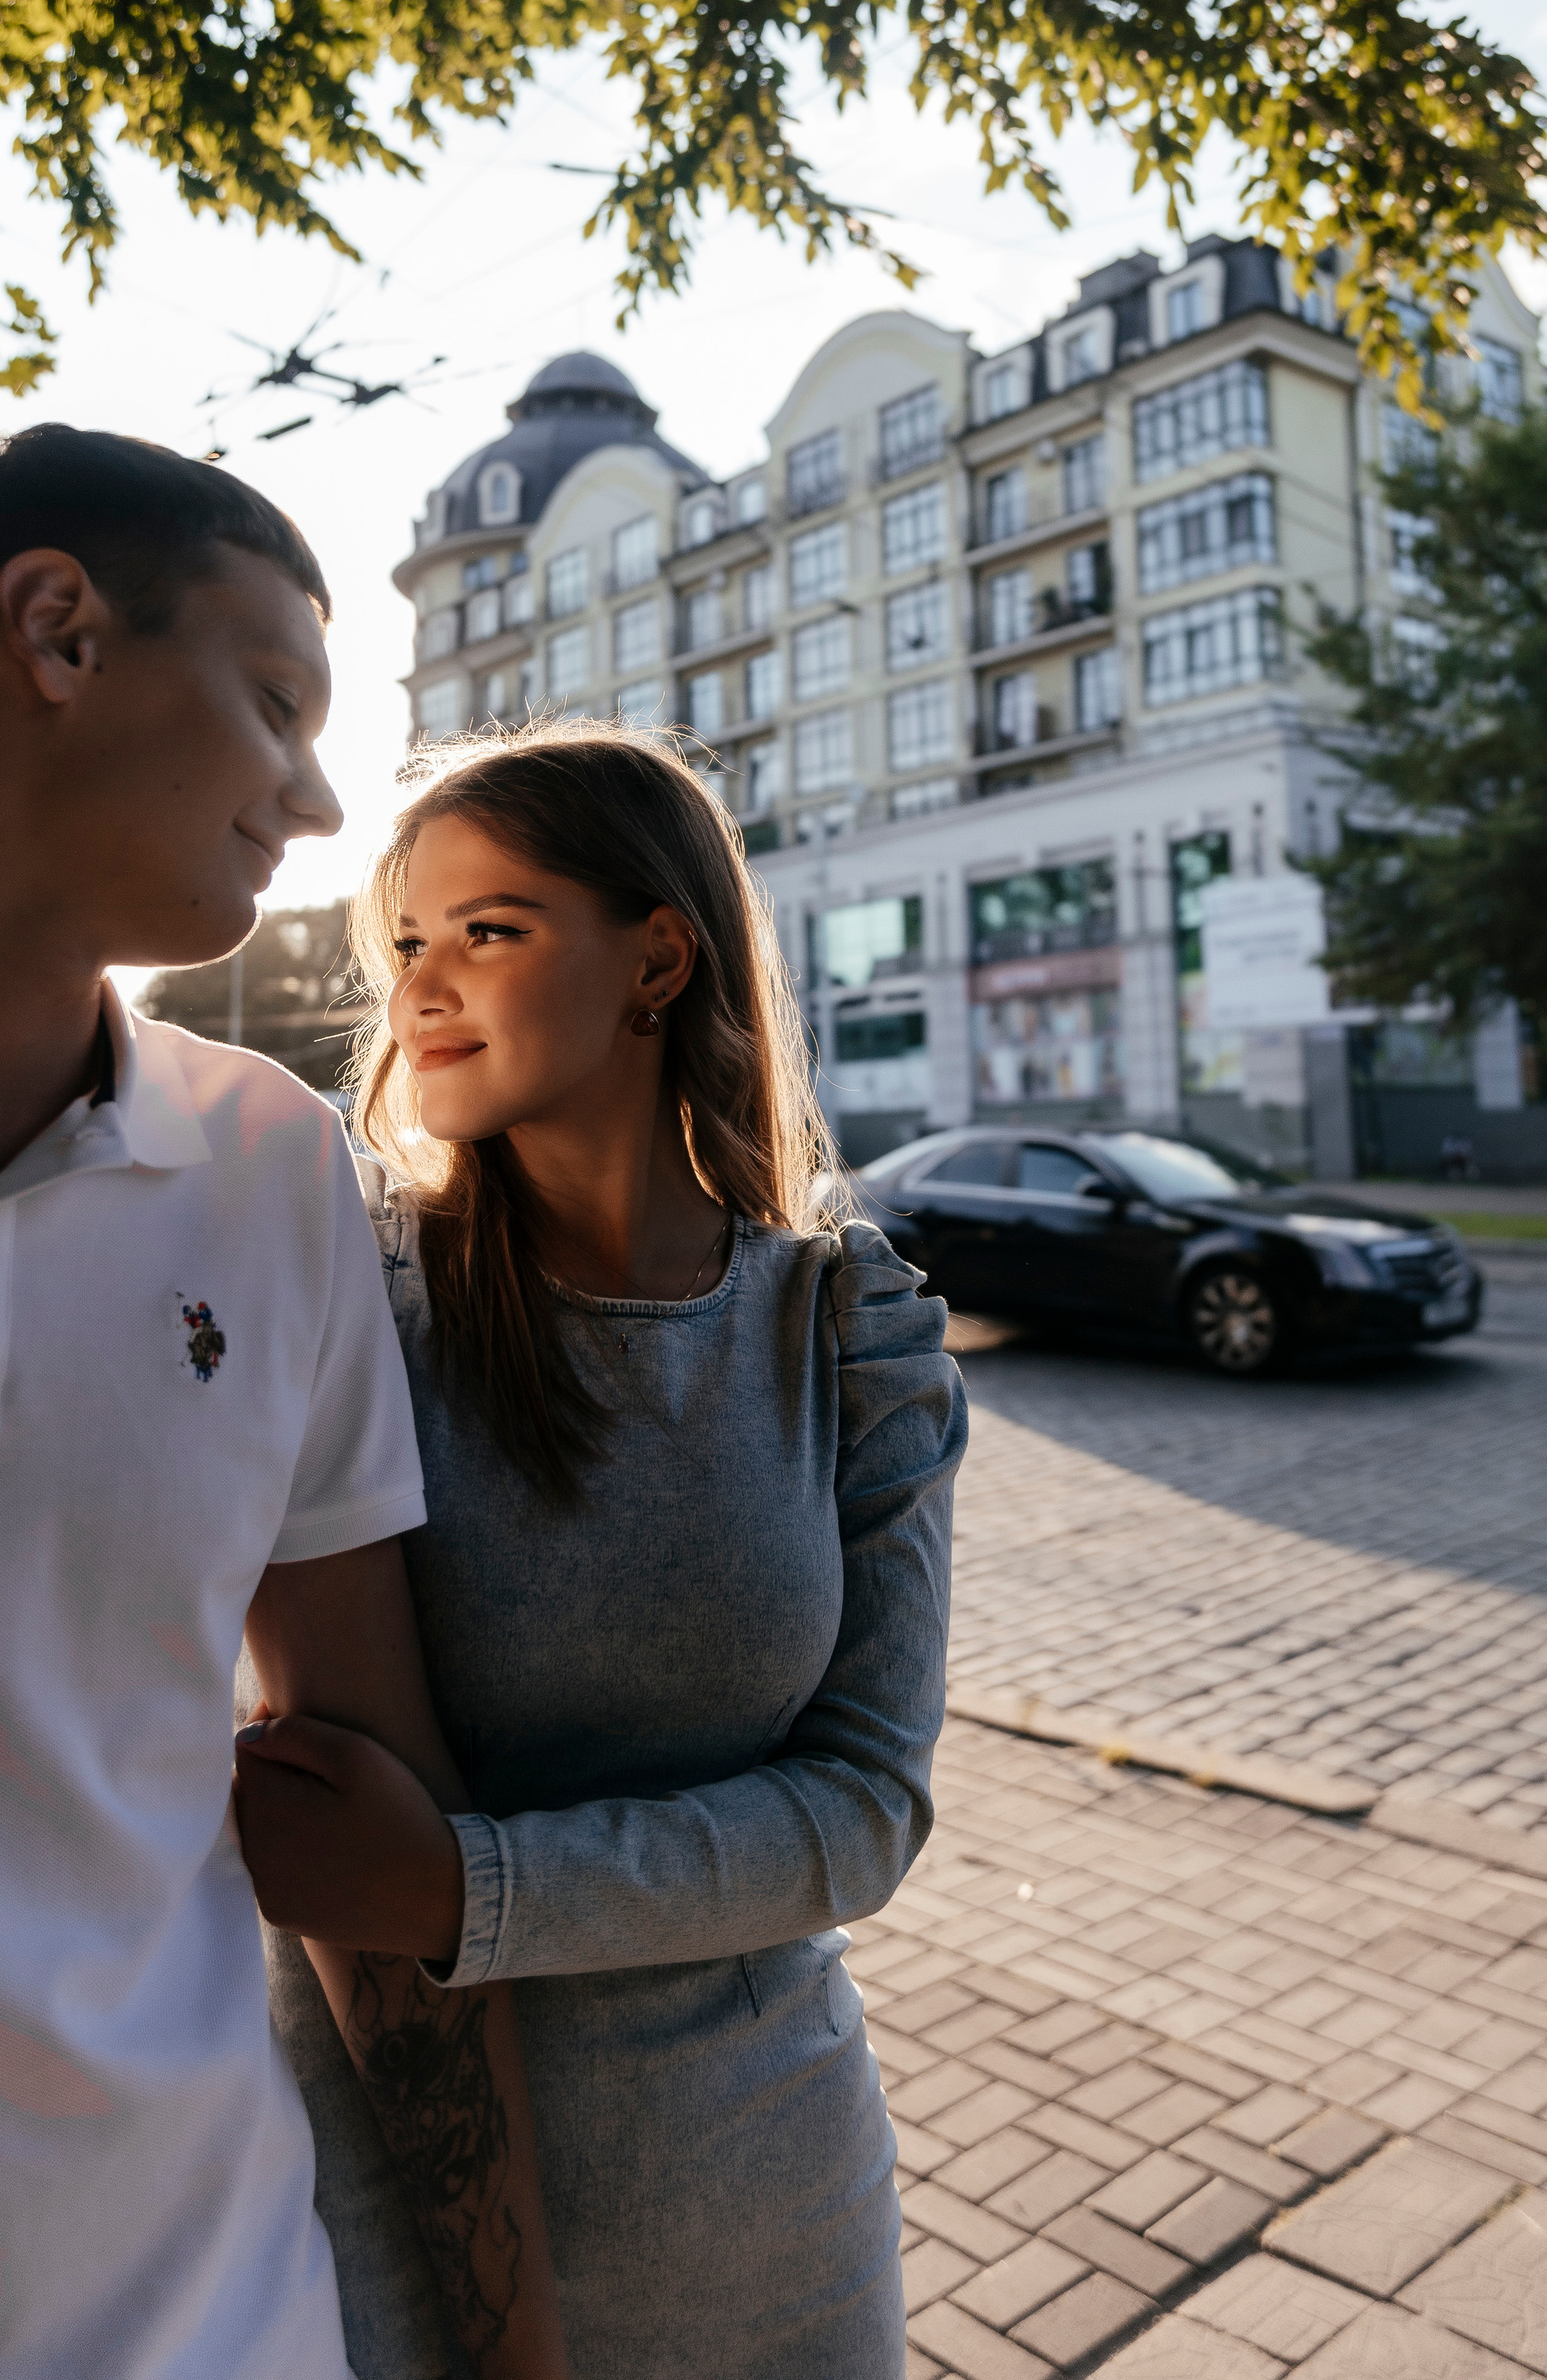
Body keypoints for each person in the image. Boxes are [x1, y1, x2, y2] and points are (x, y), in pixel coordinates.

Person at [0, 428, 559, 2380]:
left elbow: (368, 1798)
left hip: (213, 2325)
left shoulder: (269, 1170)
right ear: (56, 631)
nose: (323, 801)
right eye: (276, 703)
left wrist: (515, 2359)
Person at [234, 726, 968, 2379]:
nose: (422, 986)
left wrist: (468, 1887)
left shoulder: (853, 1327)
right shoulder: (348, 1298)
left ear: (655, 959)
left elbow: (866, 1806)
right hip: (373, 2192)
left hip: (761, 2200)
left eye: (487, 931)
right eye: (403, 942)